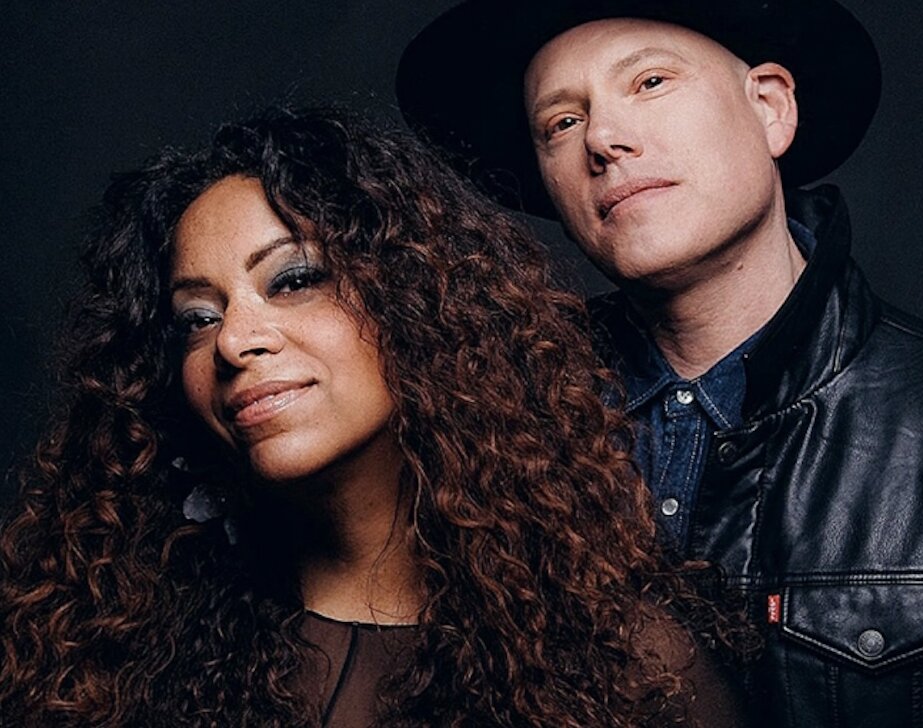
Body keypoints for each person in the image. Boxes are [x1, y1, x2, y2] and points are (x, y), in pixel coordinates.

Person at [0, 107, 756, 726]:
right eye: (197, 318)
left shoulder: (628, 665)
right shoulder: (113, 651)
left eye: (293, 279)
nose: (233, 341)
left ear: (417, 306)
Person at [395, 2, 923, 726]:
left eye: (650, 82)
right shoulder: (494, 424)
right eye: (562, 123)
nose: (601, 139)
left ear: (771, 108)